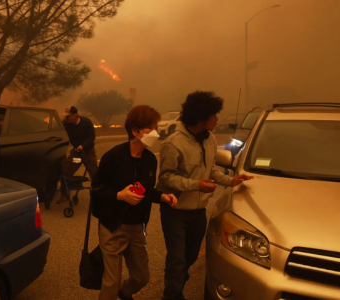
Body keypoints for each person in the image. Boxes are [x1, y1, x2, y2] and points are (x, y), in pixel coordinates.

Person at [157, 91, 254, 300]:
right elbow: (165, 178)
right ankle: (172, 295)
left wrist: (231, 181)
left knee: (190, 256)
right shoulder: (173, 143)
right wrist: (195, 185)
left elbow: (210, 169)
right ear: (202, 118)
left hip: (198, 212)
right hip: (175, 211)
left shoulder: (209, 139)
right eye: (214, 116)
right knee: (177, 259)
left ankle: (176, 285)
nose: (217, 120)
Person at [91, 105, 178, 300]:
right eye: (151, 128)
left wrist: (162, 196)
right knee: (111, 281)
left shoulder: (149, 160)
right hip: (112, 225)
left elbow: (146, 190)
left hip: (137, 227)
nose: (155, 133)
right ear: (135, 131)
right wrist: (119, 195)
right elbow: (96, 188)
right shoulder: (113, 156)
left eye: (156, 128)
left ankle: (125, 292)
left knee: (141, 277)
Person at [60, 106, 98, 201]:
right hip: (76, 152)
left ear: (75, 115)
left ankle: (97, 194)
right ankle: (64, 193)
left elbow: (92, 136)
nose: (66, 118)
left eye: (68, 116)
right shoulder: (65, 124)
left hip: (88, 151)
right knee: (66, 170)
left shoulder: (86, 122)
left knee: (94, 173)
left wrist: (83, 145)